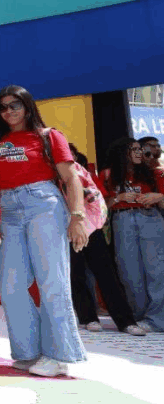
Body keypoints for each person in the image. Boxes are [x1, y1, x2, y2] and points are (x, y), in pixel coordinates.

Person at [0, 85, 88, 377]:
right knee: (10, 284)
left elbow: (71, 177)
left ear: (27, 106)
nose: (9, 111)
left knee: (52, 280)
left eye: (15, 105)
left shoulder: (49, 136)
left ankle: (59, 354)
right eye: (3, 107)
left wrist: (77, 217)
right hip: (9, 210)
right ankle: (29, 351)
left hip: (44, 205)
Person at [67, 143, 145, 336]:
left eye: (71, 154)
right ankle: (88, 318)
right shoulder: (50, 176)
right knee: (76, 274)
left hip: (91, 228)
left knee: (106, 274)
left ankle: (126, 321)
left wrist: (88, 223)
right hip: (64, 229)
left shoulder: (82, 173)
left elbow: (99, 199)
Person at [101, 137, 164, 333]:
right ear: (122, 153)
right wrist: (118, 198)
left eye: (139, 149)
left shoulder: (154, 174)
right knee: (129, 272)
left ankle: (157, 319)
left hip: (150, 218)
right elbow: (100, 205)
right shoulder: (108, 174)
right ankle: (138, 316)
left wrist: (159, 196)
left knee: (156, 271)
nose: (139, 153)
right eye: (133, 149)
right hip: (122, 220)